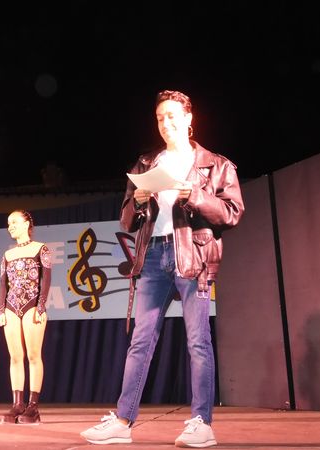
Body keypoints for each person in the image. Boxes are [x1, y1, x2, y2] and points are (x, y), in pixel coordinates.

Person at [80, 90, 244, 447]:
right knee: (140, 341)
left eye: (172, 116)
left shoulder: (215, 164)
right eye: (159, 118)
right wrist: (137, 202)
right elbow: (126, 221)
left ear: (188, 119)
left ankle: (201, 423)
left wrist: (194, 196)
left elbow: (232, 213)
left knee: (198, 340)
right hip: (153, 256)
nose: (165, 123)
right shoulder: (146, 164)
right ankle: (122, 421)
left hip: (193, 257)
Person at [0, 210, 51, 424]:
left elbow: (46, 280)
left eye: (14, 222)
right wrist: (1, 310)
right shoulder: (7, 255)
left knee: (33, 355)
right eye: (8, 223)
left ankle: (33, 407)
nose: (10, 226)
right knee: (15, 357)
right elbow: (3, 285)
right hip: (11, 307)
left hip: (32, 305)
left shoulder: (40, 248)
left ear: (27, 224)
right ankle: (18, 404)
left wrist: (41, 306)